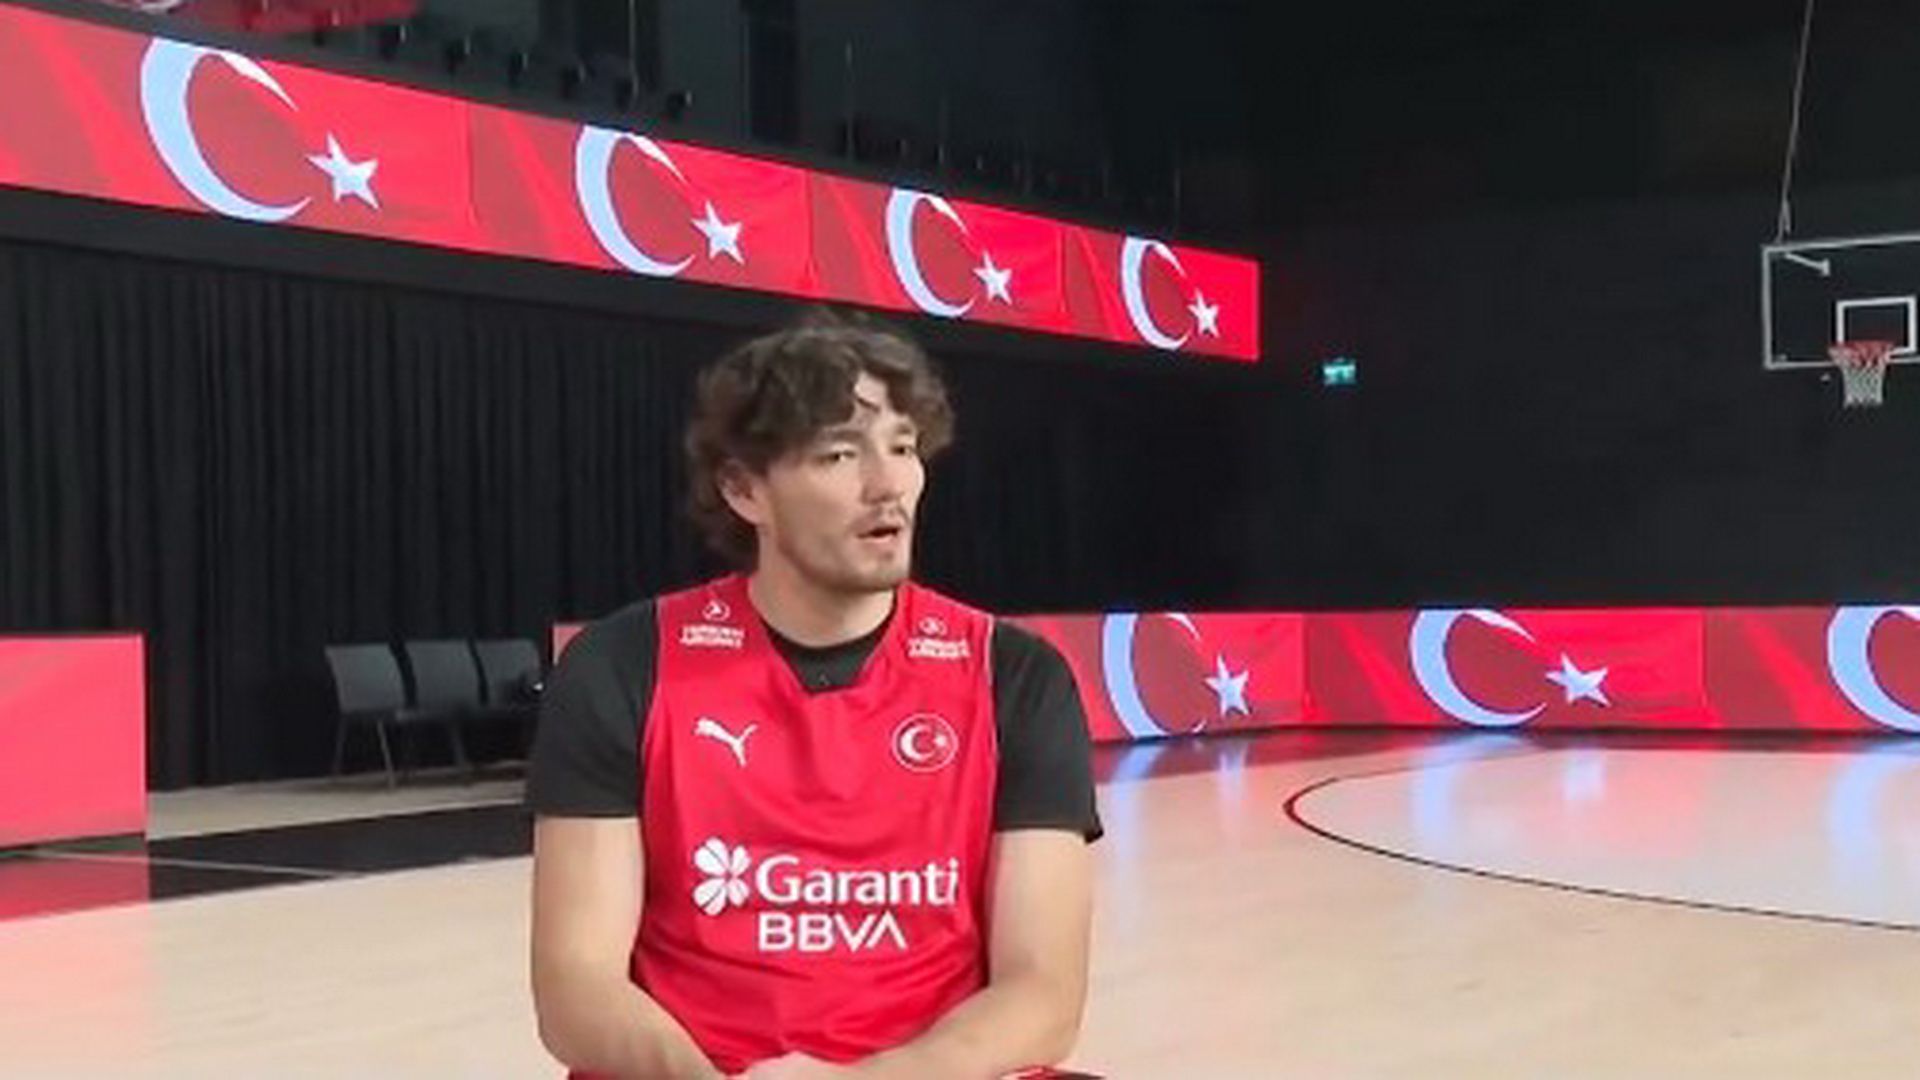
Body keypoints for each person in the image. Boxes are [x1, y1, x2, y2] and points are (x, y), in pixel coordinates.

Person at [527, 309, 1103, 1079]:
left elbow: (1043, 993)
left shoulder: (1015, 676)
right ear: (744, 489)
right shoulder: (621, 665)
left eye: (903, 447)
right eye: (840, 454)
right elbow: (577, 990)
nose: (888, 484)